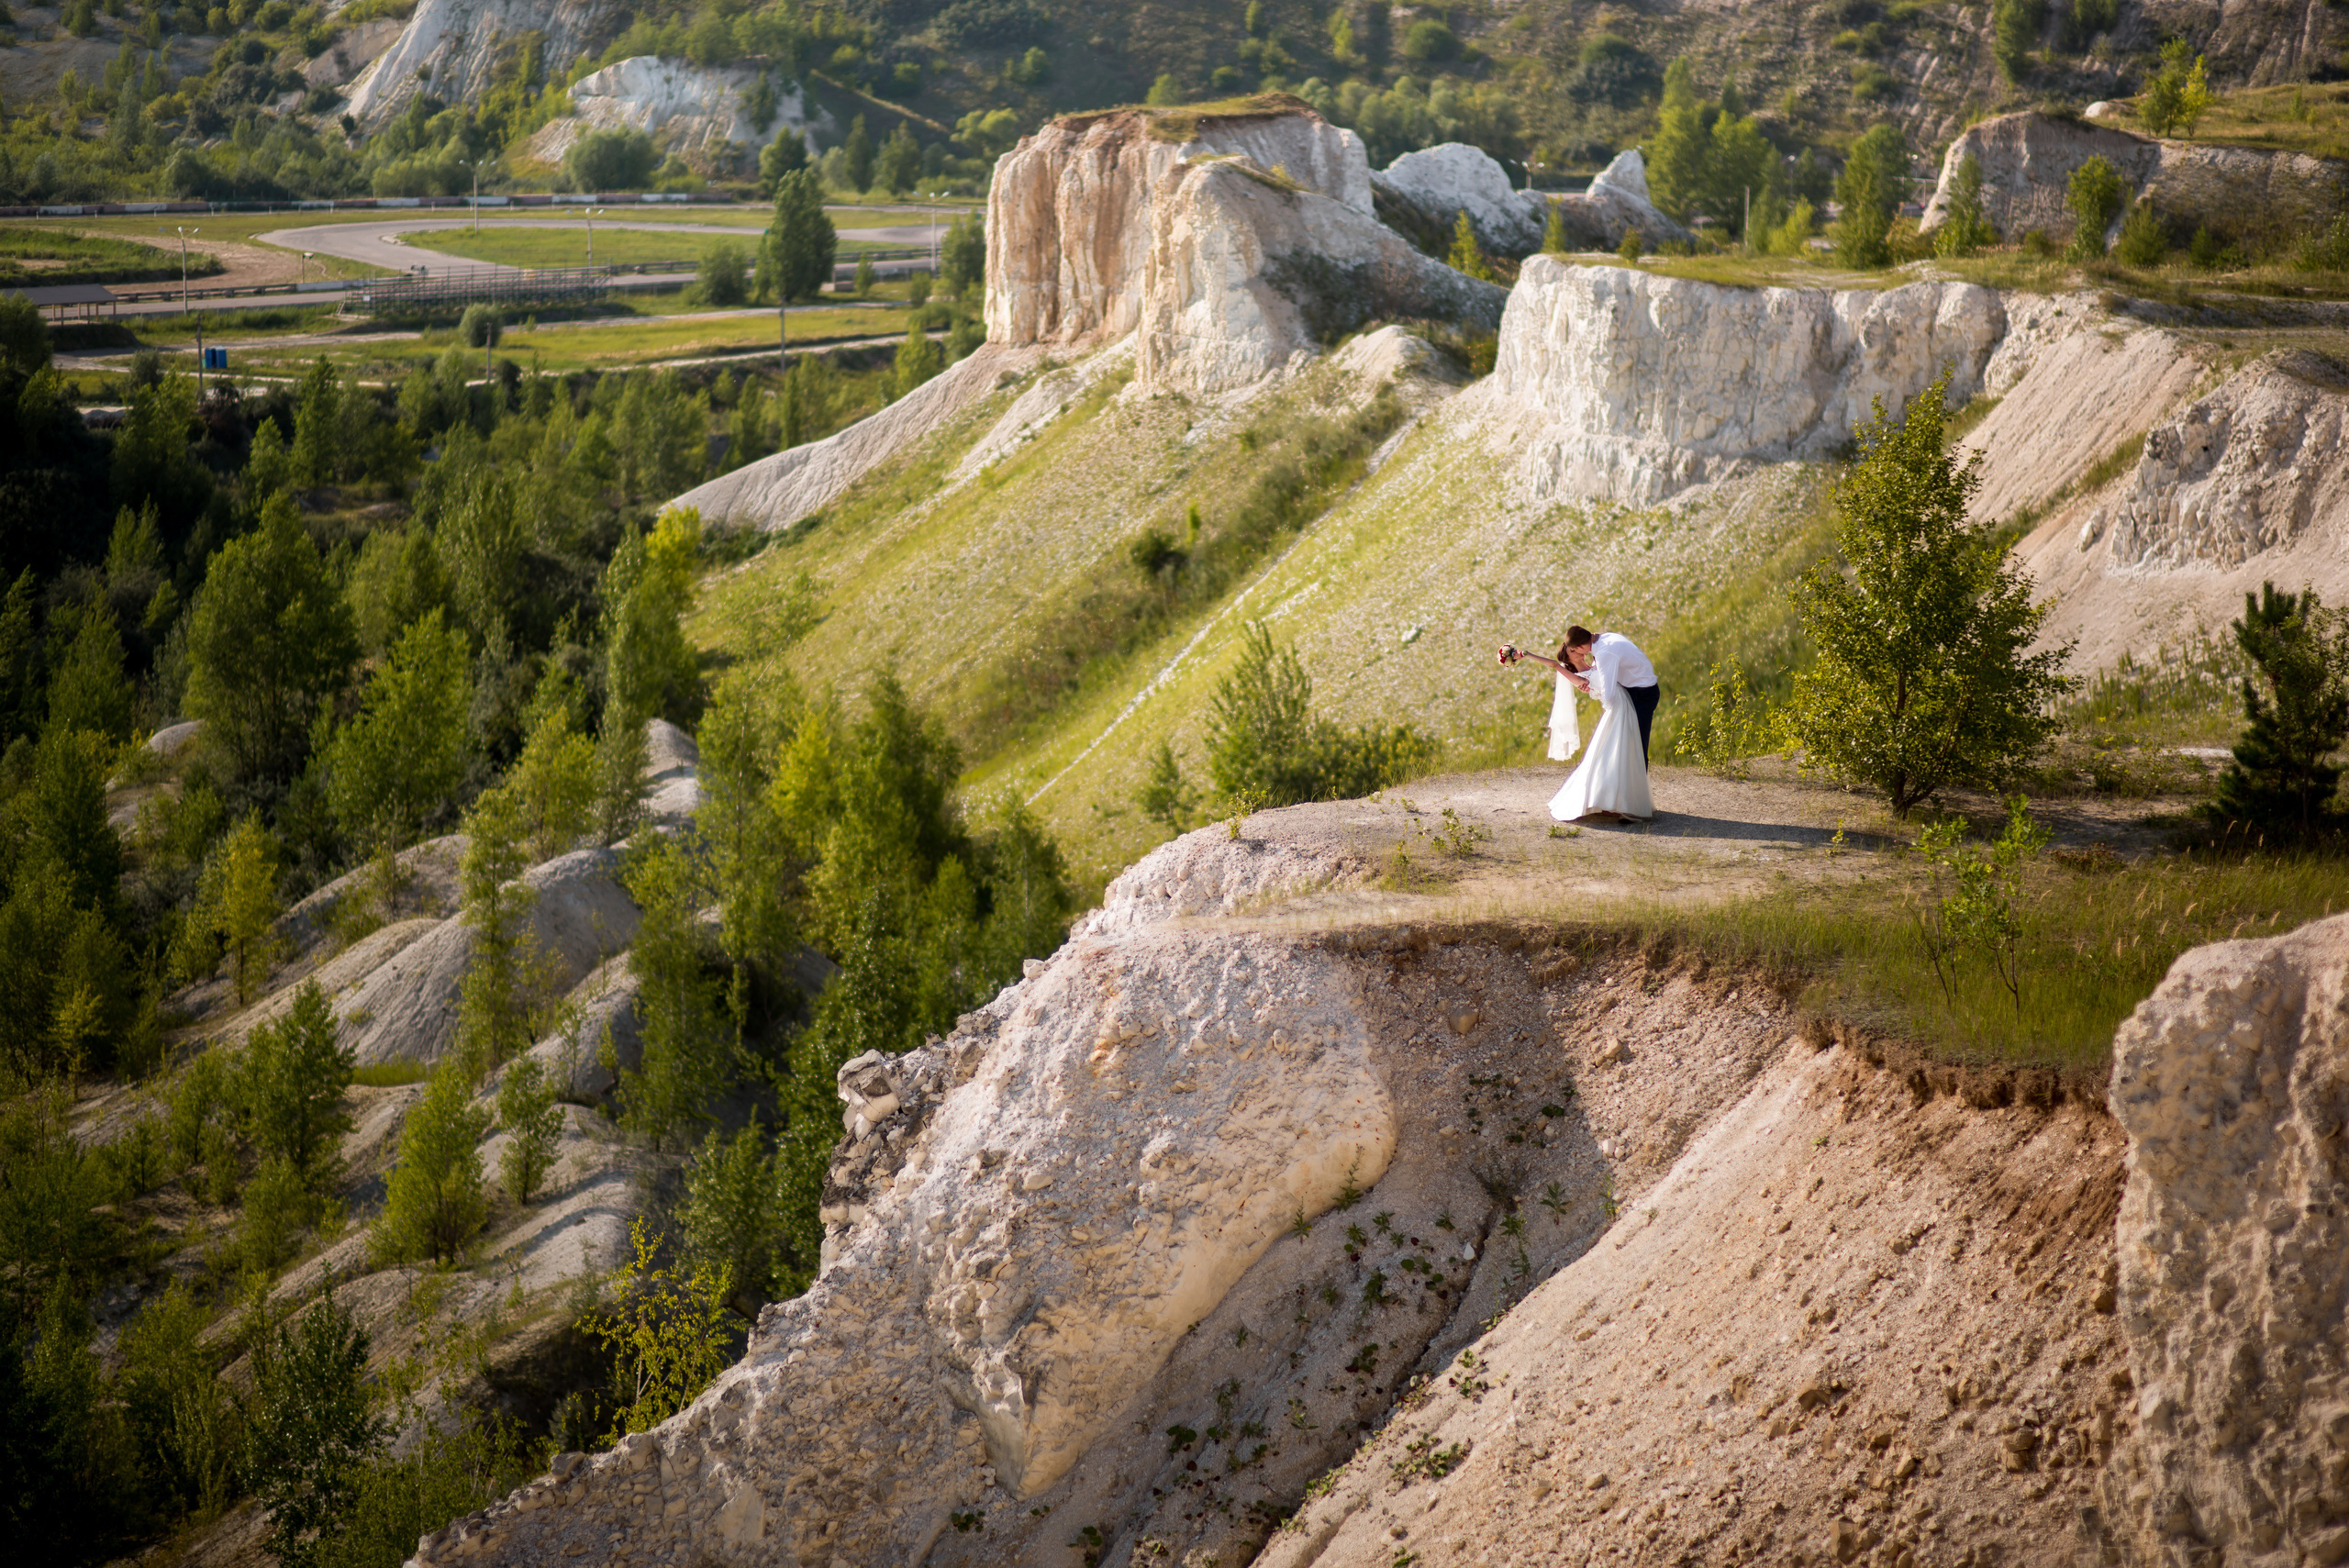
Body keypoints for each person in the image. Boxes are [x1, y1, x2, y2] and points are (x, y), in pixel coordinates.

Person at [1498, 626, 1659, 823]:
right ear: (1569, 660)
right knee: (1618, 754)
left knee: (1627, 753)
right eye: (1571, 652)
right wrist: (1527, 654)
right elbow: (1554, 665)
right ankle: (1620, 803)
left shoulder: (1598, 661)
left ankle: (1628, 804)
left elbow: (1609, 678)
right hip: (1618, 708)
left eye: (1575, 649)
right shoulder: (1580, 677)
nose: (1575, 652)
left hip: (1625, 704)